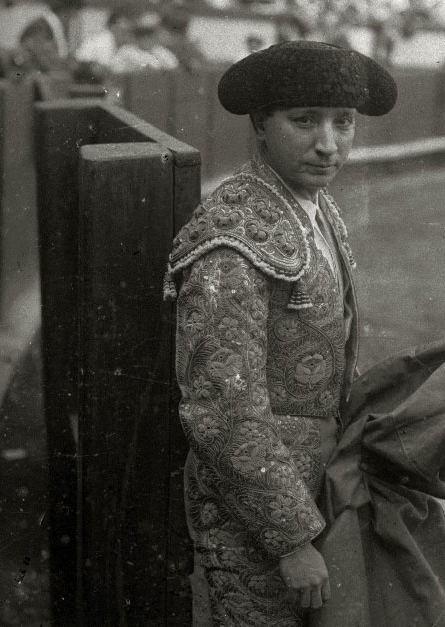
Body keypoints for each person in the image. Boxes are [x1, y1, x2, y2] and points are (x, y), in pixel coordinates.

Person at [162, 41, 397, 625]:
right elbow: (222, 405)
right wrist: (290, 538)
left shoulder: (315, 209)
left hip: (319, 489)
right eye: (304, 121)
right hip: (254, 515)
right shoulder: (232, 234)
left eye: (343, 122)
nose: (328, 143)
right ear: (261, 125)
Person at [109, 11, 179, 74]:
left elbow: (175, 68)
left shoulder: (160, 51)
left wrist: (157, 70)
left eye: (149, 35)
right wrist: (132, 68)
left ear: (154, 37)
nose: (145, 39)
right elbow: (113, 69)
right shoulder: (127, 50)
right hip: (132, 84)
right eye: (142, 35)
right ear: (136, 36)